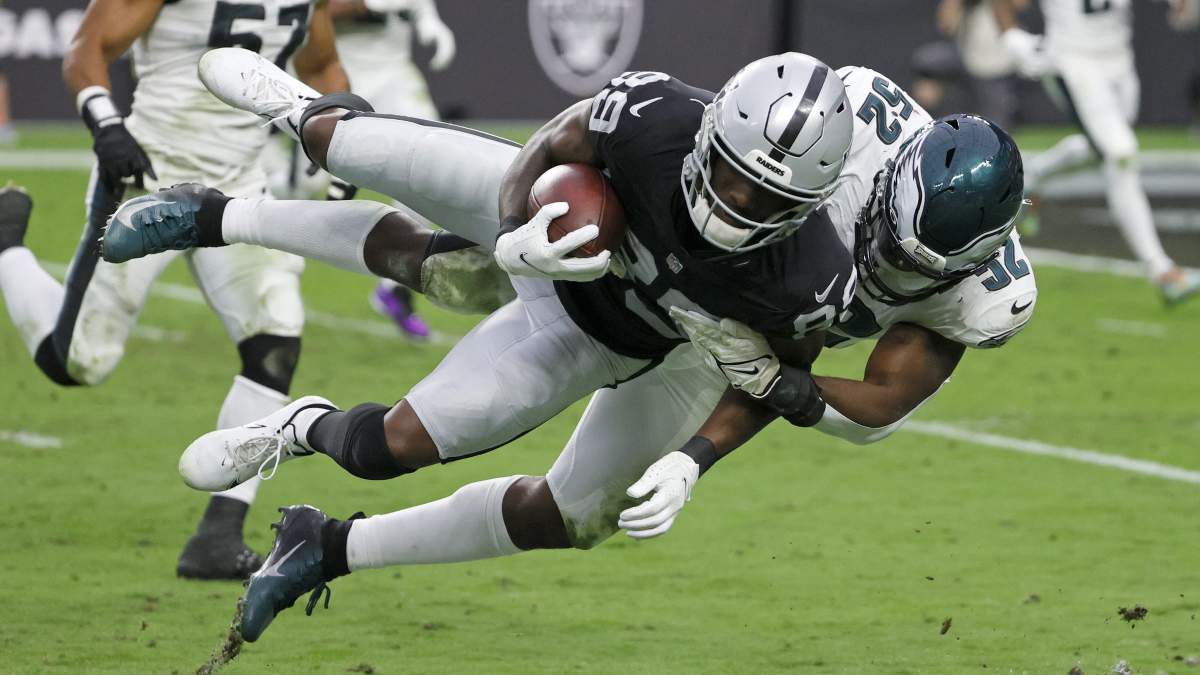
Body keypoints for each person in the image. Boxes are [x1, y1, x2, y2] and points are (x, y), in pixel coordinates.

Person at [103, 48, 859, 640]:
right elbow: (555, 141)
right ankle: (238, 185)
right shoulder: (656, 117)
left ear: (808, 206)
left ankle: (301, 434)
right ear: (710, 131)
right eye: (730, 173)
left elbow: (775, 381)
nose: (736, 203)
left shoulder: (810, 279)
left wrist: (694, 459)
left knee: (396, 451)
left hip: (611, 337)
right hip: (546, 226)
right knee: (341, 145)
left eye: (769, 199)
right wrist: (512, 231)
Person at [0, 0, 350, 580]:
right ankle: (7, 246)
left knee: (275, 337)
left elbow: (323, 64)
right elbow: (88, 47)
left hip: (239, 186)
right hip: (149, 174)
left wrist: (339, 144)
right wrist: (106, 124)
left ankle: (218, 534)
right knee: (79, 361)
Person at [994, 0, 1200, 305]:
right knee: (1120, 154)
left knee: (1103, 149)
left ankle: (1032, 177)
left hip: (1119, 60)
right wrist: (1011, 36)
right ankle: (1162, 271)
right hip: (1074, 61)